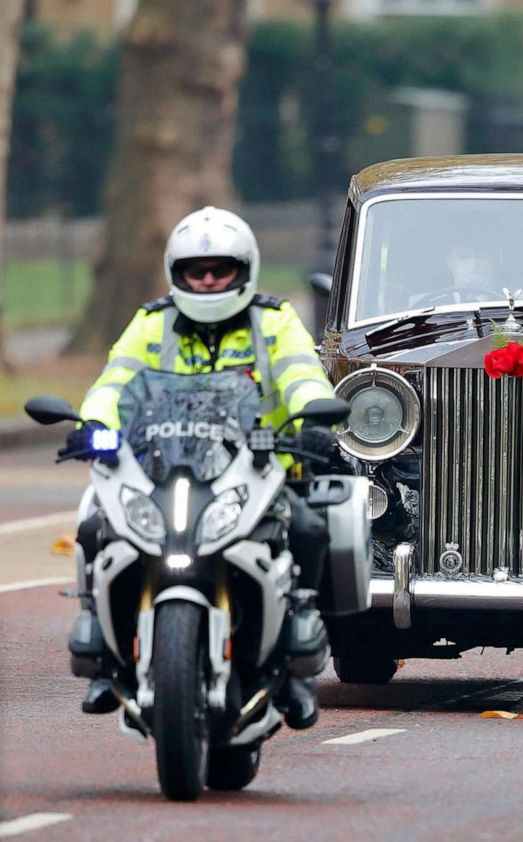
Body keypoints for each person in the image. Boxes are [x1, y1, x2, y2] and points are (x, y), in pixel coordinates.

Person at [67, 206, 338, 730]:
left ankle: (297, 665)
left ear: (245, 269)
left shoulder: (274, 320)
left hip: (259, 472)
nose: (210, 280)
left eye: (222, 269)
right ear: (177, 274)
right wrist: (92, 424)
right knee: (94, 524)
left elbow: (303, 375)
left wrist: (312, 420)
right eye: (197, 271)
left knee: (309, 527)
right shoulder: (152, 323)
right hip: (161, 471)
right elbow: (113, 383)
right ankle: (104, 655)